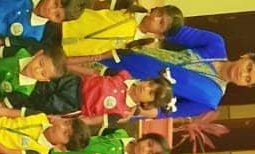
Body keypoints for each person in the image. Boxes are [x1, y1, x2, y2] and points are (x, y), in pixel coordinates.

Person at [97, 26, 255, 119]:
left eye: (248, 79)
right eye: (249, 68)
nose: (242, 74)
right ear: (246, 56)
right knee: (91, 51)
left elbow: (162, 112)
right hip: (132, 55)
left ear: (246, 86)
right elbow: (172, 30)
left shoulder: (210, 99)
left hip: (127, 90)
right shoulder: (215, 44)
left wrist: (128, 108)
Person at [60, 2, 183, 60]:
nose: (155, 18)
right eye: (159, 13)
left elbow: (98, 57)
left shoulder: (134, 47)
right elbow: (97, 5)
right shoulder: (130, 7)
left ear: (160, 35)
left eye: (161, 23)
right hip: (66, 22)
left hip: (68, 49)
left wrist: (67, 61)